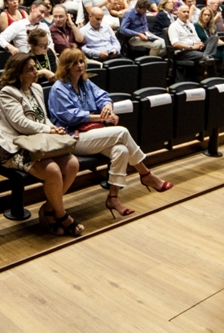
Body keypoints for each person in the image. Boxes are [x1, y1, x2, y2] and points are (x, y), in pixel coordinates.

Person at [48, 48, 173, 216]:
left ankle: (113, 198)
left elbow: (103, 96)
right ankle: (146, 174)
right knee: (121, 132)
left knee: (121, 150)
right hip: (71, 137)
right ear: (66, 66)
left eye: (81, 61)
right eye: (75, 63)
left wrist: (107, 107)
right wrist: (102, 117)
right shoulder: (59, 88)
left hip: (91, 133)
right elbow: (71, 117)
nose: (80, 65)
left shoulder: (85, 83)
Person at [0, 53, 82, 236]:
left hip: (38, 143)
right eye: (30, 69)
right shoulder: (8, 92)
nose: (36, 71)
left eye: (35, 67)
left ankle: (48, 209)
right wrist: (48, 130)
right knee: (53, 171)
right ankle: (61, 214)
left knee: (73, 164)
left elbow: (44, 118)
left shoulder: (37, 88)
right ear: (18, 74)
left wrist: (53, 128)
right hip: (14, 147)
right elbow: (20, 123)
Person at [166, 2, 208, 81]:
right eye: (184, 12)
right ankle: (208, 58)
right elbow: (175, 44)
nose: (186, 14)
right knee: (206, 57)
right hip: (184, 52)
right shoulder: (174, 26)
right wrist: (191, 47)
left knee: (213, 39)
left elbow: (196, 38)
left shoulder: (190, 24)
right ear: (178, 14)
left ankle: (207, 55)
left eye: (188, 12)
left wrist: (199, 43)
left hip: (195, 49)